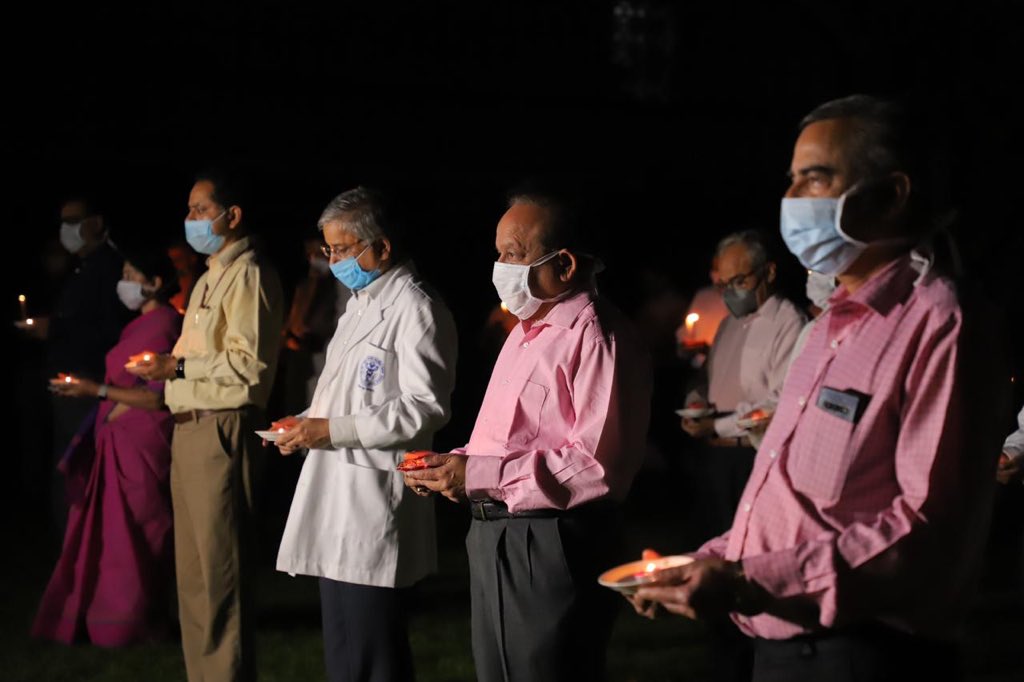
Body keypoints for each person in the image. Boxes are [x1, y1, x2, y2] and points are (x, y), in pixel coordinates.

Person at [634, 95, 1012, 682]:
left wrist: (748, 580)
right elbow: (795, 504)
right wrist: (707, 562)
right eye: (790, 180)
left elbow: (926, 529)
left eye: (814, 178)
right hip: (784, 644)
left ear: (892, 193)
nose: (791, 197)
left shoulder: (941, 321)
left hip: (864, 652)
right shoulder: (829, 327)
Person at [403, 187, 652, 682]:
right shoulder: (524, 330)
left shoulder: (596, 335)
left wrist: (480, 475)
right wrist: (455, 463)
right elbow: (507, 439)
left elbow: (597, 467)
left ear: (565, 264)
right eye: (498, 253)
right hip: (493, 532)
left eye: (513, 254)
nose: (500, 267)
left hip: (551, 538)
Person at [273, 187, 458, 682]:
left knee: (372, 651)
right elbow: (342, 393)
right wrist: (303, 423)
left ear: (383, 245)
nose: (333, 260)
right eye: (328, 249)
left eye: (342, 249)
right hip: (337, 491)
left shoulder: (417, 308)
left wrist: (329, 430)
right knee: (345, 648)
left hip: (373, 495)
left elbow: (425, 407)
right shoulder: (359, 304)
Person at [129, 170, 284, 682]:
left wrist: (174, 368)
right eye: (190, 209)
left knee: (221, 574)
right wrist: (167, 370)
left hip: (221, 428)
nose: (191, 218)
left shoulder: (249, 274)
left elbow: (248, 365)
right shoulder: (209, 276)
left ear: (232, 215)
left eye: (201, 209)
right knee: (193, 578)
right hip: (190, 430)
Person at [32, 245, 182, 646]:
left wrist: (95, 390)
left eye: (133, 276)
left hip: (143, 443)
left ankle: (137, 621)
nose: (124, 283)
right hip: (118, 439)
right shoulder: (137, 326)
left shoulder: (166, 325)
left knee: (141, 532)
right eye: (125, 275)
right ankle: (106, 617)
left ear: (155, 283)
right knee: (112, 535)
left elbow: (155, 396)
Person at [17, 197, 129, 537]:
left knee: (81, 466)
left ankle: (85, 540)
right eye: (63, 221)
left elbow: (110, 329)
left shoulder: (109, 268)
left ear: (96, 222)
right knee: (66, 466)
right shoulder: (81, 268)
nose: (66, 229)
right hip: (69, 383)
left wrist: (55, 329)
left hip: (87, 383)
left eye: (74, 220)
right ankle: (70, 541)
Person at [681, 230, 805, 539]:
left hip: (752, 455)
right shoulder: (728, 323)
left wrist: (716, 425)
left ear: (769, 272)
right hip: (713, 457)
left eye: (739, 282)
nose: (730, 293)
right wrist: (697, 401)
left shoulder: (789, 322)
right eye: (722, 285)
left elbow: (781, 401)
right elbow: (709, 378)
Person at [278, 235, 341, 414]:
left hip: (324, 358)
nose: (313, 258)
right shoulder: (305, 285)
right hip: (299, 359)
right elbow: (293, 321)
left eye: (319, 252)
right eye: (309, 253)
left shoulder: (340, 287)